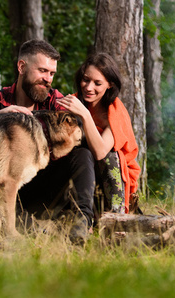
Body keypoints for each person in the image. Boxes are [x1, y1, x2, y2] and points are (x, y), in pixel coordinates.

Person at [0, 39, 95, 244]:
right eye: (42, 71)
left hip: (45, 185)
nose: (48, 79)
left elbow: (80, 140)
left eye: (51, 73)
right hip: (7, 190)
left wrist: (85, 116)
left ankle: (81, 223)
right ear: (22, 67)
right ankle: (24, 226)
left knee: (82, 153)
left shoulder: (55, 102)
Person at [57, 53, 141, 215]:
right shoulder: (74, 101)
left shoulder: (115, 111)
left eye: (97, 83)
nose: (89, 87)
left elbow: (101, 152)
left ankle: (117, 216)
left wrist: (85, 115)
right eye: (86, 79)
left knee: (110, 155)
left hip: (112, 176)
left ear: (109, 84)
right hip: (81, 174)